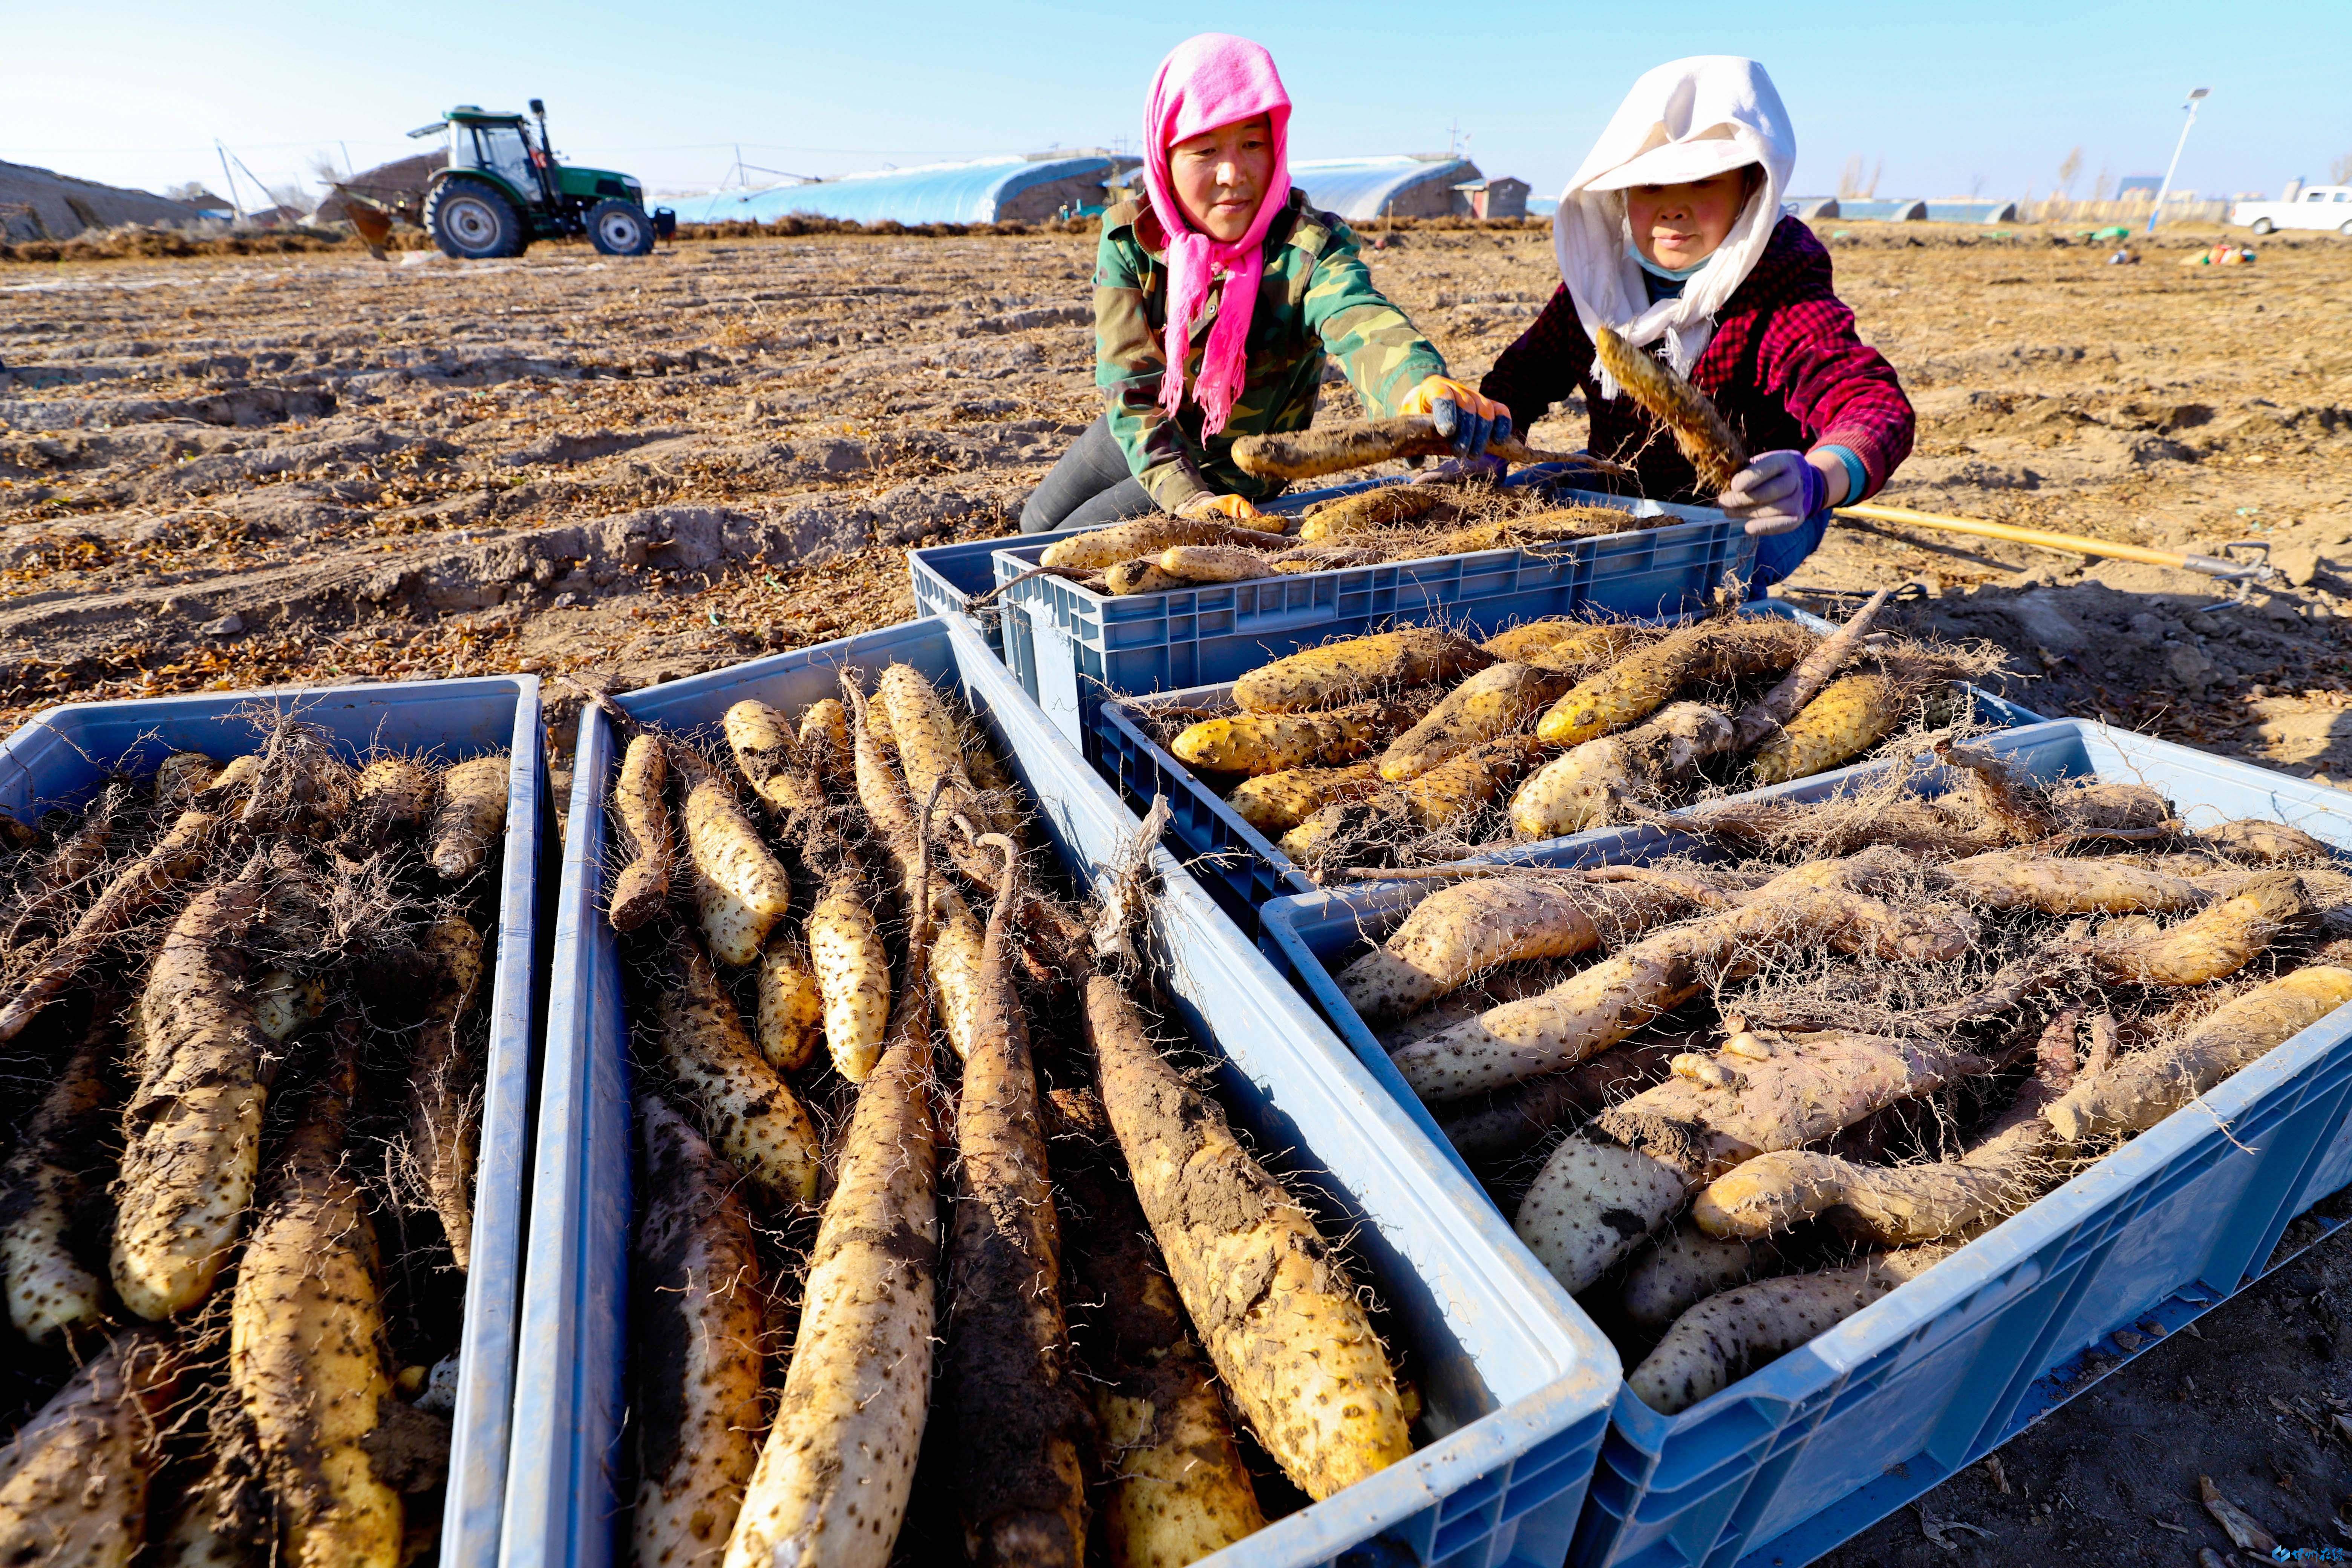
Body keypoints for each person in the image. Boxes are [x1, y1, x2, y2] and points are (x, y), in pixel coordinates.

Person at [1019, 32, 1509, 534]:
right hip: (1144, 428)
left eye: (1253, 144)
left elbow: (1363, 320)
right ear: (1165, 158)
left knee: (1059, 548)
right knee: (1035, 522)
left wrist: (1418, 386)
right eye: (1205, 150)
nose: (1233, 173)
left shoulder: (1308, 249)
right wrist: (1181, 496)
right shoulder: (1132, 237)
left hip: (1233, 470)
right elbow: (1131, 389)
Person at [1477, 56, 1915, 588]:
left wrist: (1819, 477)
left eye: (1702, 183)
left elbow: (1870, 404)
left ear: (1751, 190)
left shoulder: (1777, 288)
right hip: (1620, 484)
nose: (1673, 210)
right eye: (1651, 188)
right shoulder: (1599, 287)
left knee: (1702, 579)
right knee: (1516, 501)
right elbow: (1523, 377)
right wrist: (1490, 434)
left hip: (1748, 507)